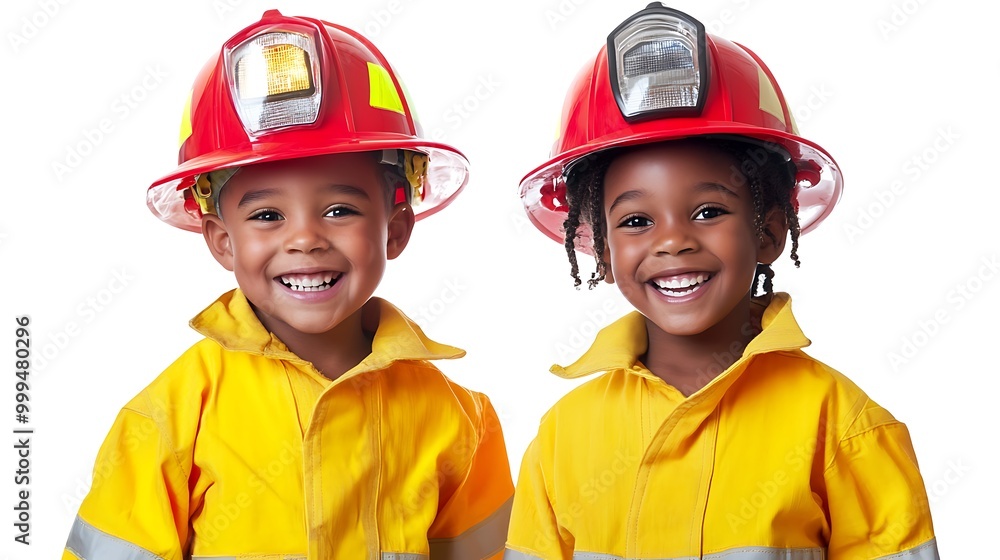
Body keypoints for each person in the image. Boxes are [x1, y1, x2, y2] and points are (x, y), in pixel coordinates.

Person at [63, 10, 512, 559]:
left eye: (340, 209)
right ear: (222, 241)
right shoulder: (172, 417)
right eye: (267, 216)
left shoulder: (460, 422)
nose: (304, 239)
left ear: (394, 229)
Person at [505, 4, 938, 559]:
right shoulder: (563, 436)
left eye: (709, 211)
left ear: (770, 232)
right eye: (636, 221)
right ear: (603, 251)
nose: (672, 241)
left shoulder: (843, 426)